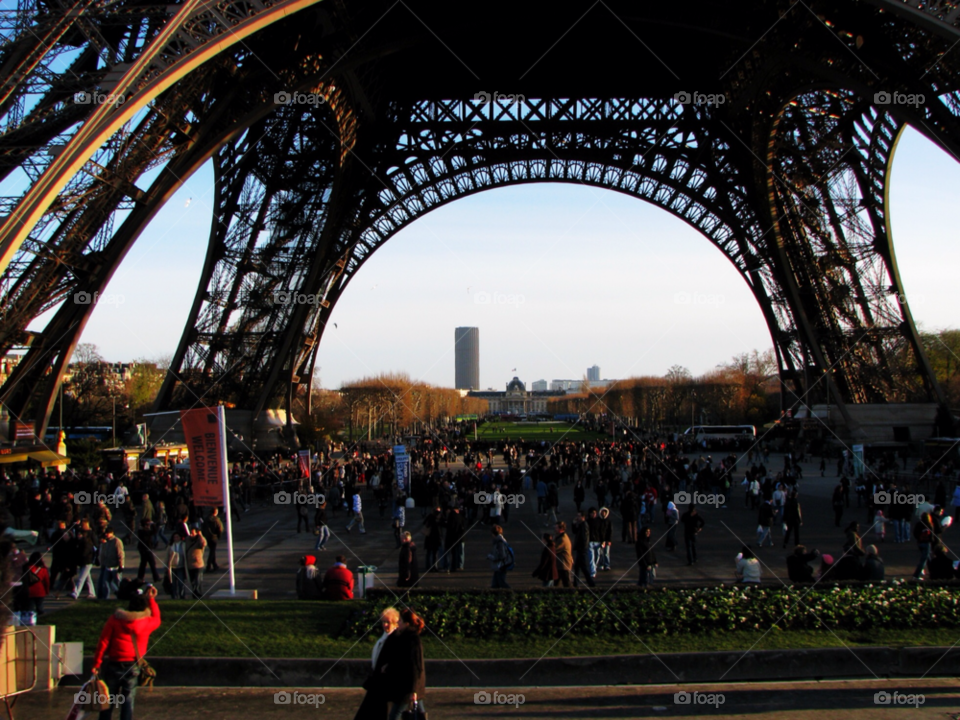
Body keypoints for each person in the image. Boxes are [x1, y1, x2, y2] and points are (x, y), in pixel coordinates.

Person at [91, 580, 161, 720]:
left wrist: (97, 663)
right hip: (133, 665)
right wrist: (152, 599)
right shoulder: (146, 622)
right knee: (128, 700)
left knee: (108, 700)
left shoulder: (114, 620)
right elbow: (157, 618)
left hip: (114, 664)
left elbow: (103, 642)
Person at [373, 608, 426, 720]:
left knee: (395, 715)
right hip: (409, 685)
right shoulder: (405, 637)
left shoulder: (411, 639)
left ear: (407, 624)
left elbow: (415, 665)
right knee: (419, 713)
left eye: (400, 620)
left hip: (407, 687)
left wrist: (413, 689)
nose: (398, 622)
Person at [354, 608, 401, 719]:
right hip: (377, 681)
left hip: (385, 684)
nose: (385, 625)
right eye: (383, 622)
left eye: (388, 622)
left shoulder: (396, 637)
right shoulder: (384, 637)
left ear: (395, 622)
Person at [97, 527, 124, 600]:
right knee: (105, 583)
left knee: (118, 583)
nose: (106, 534)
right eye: (106, 533)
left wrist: (121, 565)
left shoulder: (117, 541)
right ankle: (105, 598)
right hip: (107, 566)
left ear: (112, 533)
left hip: (115, 567)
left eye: (108, 533)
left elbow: (120, 554)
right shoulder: (106, 542)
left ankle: (121, 596)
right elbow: (103, 554)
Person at [21, 551, 50, 617]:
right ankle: (41, 619)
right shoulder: (43, 568)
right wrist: (47, 591)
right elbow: (47, 581)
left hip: (29, 591)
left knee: (30, 609)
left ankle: (30, 620)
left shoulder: (26, 567)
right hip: (40, 591)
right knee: (40, 608)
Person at [571, 511, 594, 588]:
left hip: (582, 549)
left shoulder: (584, 525)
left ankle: (590, 583)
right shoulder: (581, 524)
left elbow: (584, 538)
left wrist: (583, 547)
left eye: (579, 516)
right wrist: (573, 524)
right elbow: (575, 531)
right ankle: (576, 583)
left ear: (583, 517)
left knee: (583, 567)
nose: (577, 518)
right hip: (580, 548)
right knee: (577, 567)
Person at [487, 525, 511, 589]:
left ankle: (512, 592)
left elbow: (502, 556)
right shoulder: (501, 540)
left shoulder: (499, 542)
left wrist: (491, 557)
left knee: (501, 583)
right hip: (499, 566)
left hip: (501, 566)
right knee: (495, 584)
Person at [186, 526, 207, 599]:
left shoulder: (199, 540)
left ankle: (198, 592)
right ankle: (195, 593)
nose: (191, 535)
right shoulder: (187, 540)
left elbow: (204, 544)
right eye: (190, 533)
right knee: (192, 580)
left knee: (198, 580)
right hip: (189, 564)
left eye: (193, 533)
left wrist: (200, 535)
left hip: (198, 564)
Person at [166, 532, 188, 600]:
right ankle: (174, 596)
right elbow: (167, 557)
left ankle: (182, 595)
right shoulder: (171, 546)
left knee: (181, 582)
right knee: (173, 583)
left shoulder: (183, 545)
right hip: (172, 567)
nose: (176, 538)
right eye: (175, 537)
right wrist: (166, 566)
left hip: (181, 566)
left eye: (177, 537)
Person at [554, 521, 573, 587]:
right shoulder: (561, 537)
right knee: (556, 583)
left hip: (564, 565)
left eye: (556, 528)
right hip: (561, 565)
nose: (555, 529)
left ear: (561, 529)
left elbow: (554, 550)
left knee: (567, 583)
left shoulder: (562, 539)